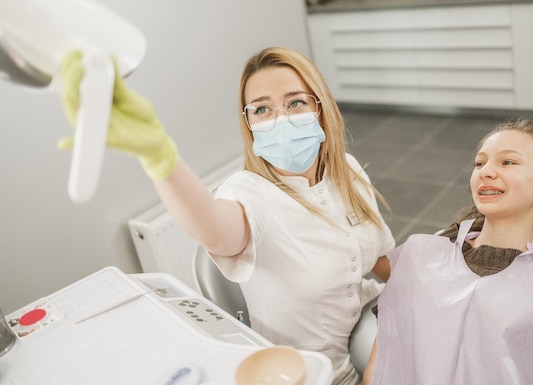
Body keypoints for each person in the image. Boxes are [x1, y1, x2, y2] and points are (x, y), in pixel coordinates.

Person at [59, 47, 395, 385]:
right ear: (249, 123)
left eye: (296, 102)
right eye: (262, 109)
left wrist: (429, 278)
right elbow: (215, 231)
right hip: (310, 374)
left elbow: (380, 259)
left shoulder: (347, 171)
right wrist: (159, 158)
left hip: (375, 337)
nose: (281, 118)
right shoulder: (248, 194)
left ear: (320, 109)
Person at [362, 118, 533, 385]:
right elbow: (378, 369)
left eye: (508, 162)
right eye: (479, 163)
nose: (486, 171)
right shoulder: (422, 256)